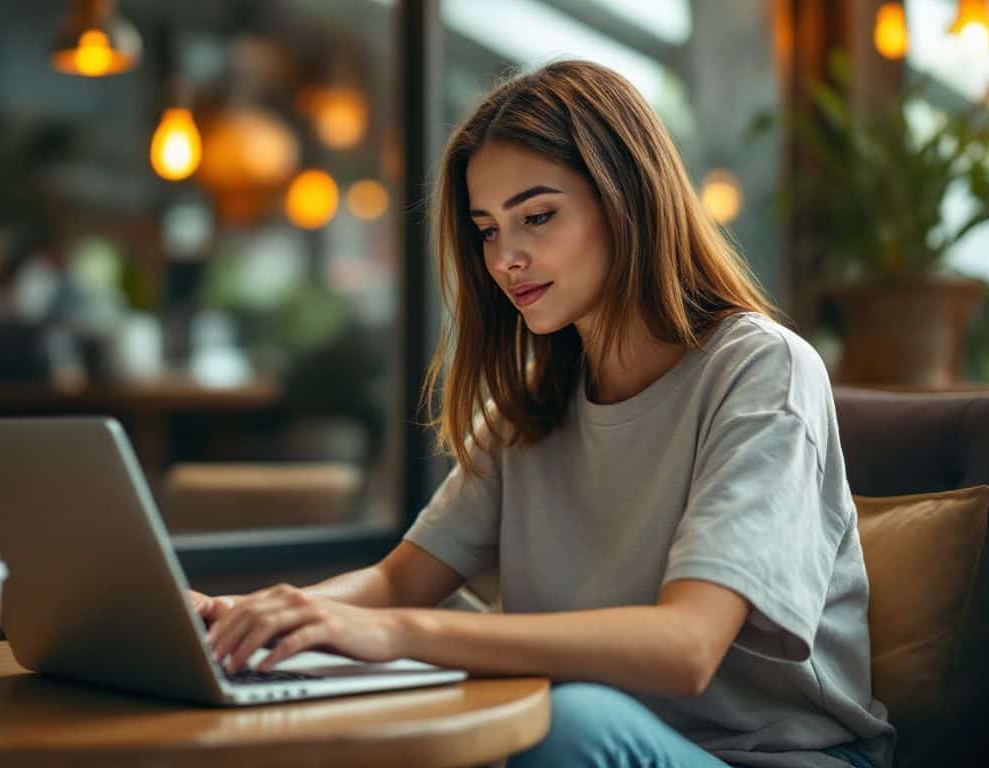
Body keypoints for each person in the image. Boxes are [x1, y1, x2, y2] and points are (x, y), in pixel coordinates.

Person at [189, 60, 895, 768]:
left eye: (538, 216)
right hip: (582, 742)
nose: (506, 259)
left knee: (565, 724)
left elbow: (687, 646)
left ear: (630, 201)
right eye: (488, 229)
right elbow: (399, 581)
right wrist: (257, 616)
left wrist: (396, 634)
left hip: (769, 760)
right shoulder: (531, 404)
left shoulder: (762, 369)